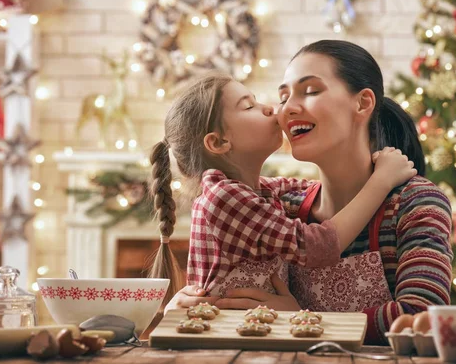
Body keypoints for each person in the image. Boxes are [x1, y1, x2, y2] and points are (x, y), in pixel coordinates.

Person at [165, 40, 453, 345]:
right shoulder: (280, 204)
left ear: (363, 103)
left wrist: (301, 319)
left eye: (311, 91)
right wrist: (179, 307)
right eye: (284, 96)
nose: (285, 109)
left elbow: (422, 317)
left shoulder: (414, 202)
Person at [148, 72, 417, 303]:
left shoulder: (259, 190)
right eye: (248, 107)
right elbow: (317, 246)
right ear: (218, 143)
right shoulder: (223, 197)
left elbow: (313, 184)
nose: (271, 109)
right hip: (225, 338)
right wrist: (380, 182)